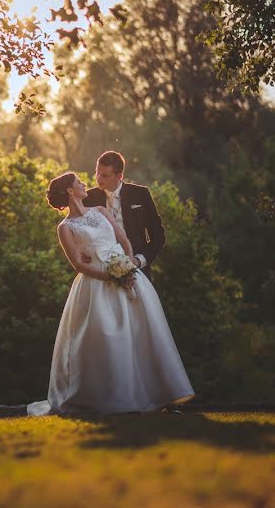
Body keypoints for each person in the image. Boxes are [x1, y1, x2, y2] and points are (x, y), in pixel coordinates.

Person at [27, 171, 194, 416]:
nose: (85, 184)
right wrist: (110, 276)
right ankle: (109, 397)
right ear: (71, 191)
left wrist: (126, 268)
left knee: (141, 333)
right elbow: (79, 264)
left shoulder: (101, 211)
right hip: (96, 285)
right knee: (106, 337)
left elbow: (124, 240)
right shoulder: (65, 227)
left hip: (128, 276)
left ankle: (155, 396)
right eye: (79, 183)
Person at [82, 151, 164, 280]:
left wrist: (138, 261)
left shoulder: (141, 194)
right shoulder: (87, 198)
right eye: (97, 172)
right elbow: (79, 232)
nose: (98, 178)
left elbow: (158, 236)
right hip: (100, 272)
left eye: (104, 175)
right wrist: (82, 252)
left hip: (138, 272)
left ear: (119, 176)